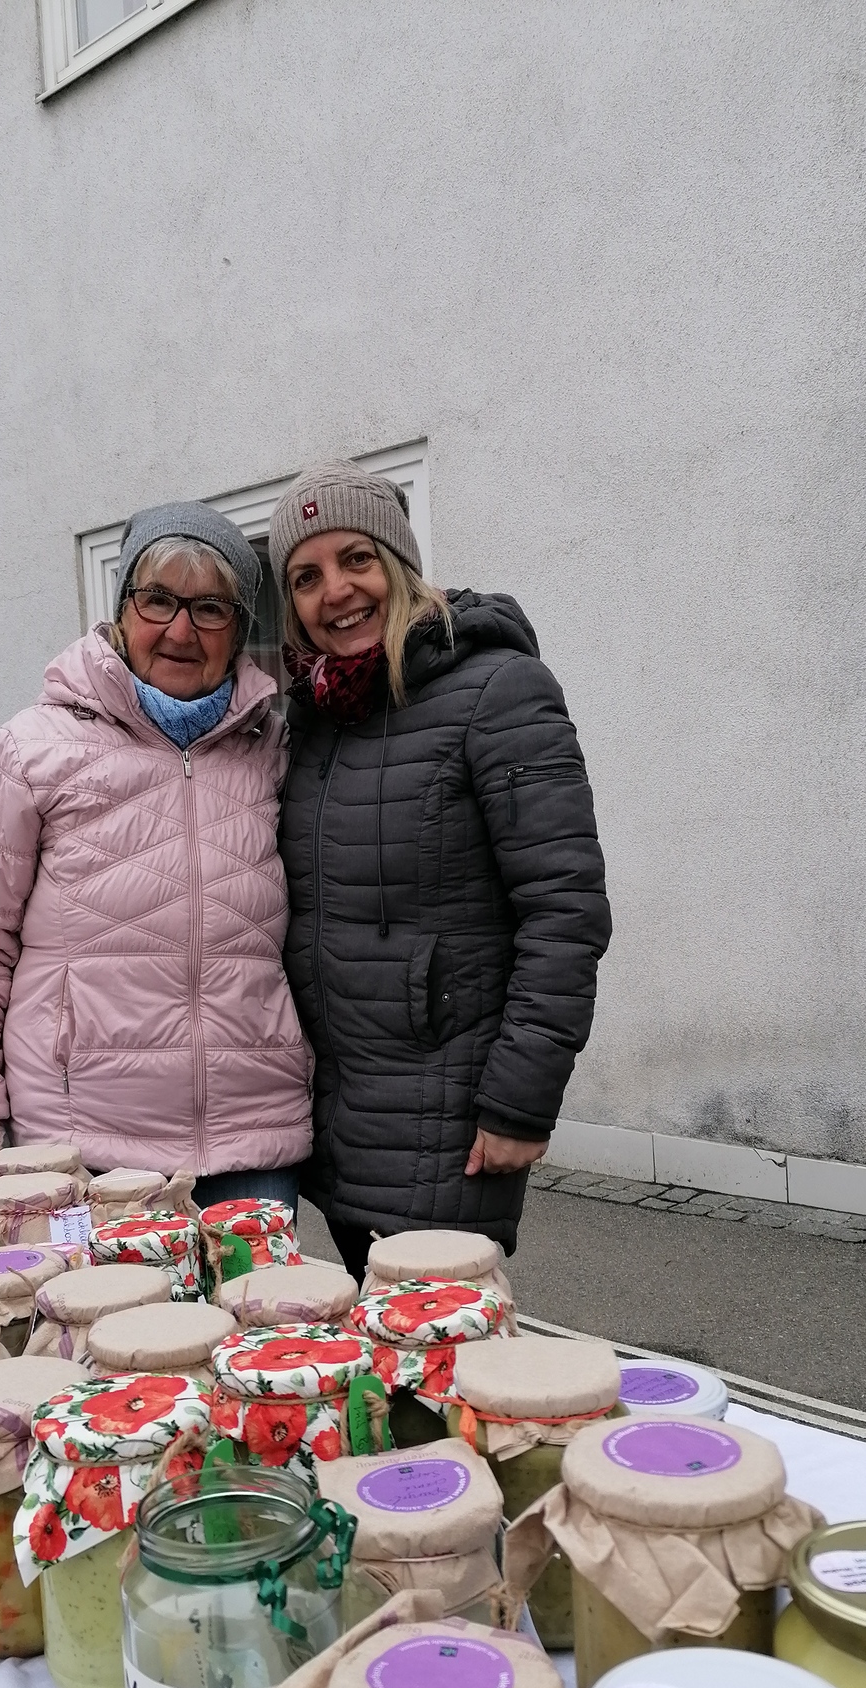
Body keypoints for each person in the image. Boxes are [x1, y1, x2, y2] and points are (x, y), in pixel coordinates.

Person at [270, 461, 611, 1279]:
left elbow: (565, 912)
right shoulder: (316, 718)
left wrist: (520, 1102)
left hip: (451, 1118)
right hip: (344, 1119)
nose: (336, 591)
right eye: (306, 576)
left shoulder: (498, 691)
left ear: (398, 562)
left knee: (439, 1343)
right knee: (375, 1341)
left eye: (357, 558)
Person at [0, 500, 312, 1208]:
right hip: (85, 1145)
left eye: (210, 609)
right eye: (157, 599)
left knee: (260, 1289)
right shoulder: (32, 750)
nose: (180, 630)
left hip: (250, 1140)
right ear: (123, 610)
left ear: (238, 630)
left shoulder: (272, 751)